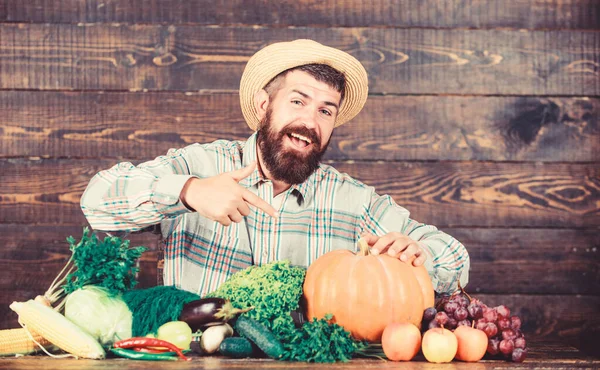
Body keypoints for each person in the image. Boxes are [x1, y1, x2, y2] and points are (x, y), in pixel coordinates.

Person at [81, 39, 470, 297]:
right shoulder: (201, 165)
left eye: (325, 111)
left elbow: (455, 259)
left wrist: (420, 253)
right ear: (263, 105)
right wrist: (189, 191)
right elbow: (97, 199)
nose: (309, 123)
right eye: (298, 102)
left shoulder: (353, 200)